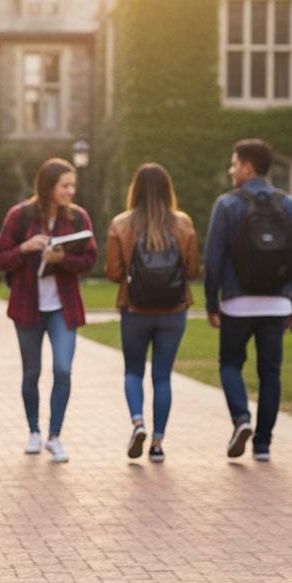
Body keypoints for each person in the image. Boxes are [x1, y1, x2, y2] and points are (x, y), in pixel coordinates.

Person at [204, 138, 292, 461]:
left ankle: (241, 419)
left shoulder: (227, 204)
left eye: (234, 164)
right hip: (277, 303)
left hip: (237, 303)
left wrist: (211, 303)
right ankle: (263, 445)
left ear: (248, 167)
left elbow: (214, 258)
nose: (231, 170)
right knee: (270, 373)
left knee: (231, 364)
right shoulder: (290, 205)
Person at [0, 158, 96, 463]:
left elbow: (90, 260)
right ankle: (34, 432)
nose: (70, 191)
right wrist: (25, 248)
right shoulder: (20, 215)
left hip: (63, 307)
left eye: (72, 185)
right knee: (31, 372)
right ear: (49, 186)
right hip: (28, 307)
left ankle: (54, 436)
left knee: (63, 369)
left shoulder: (78, 218)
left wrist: (60, 259)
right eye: (65, 185)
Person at [105, 163, 199, 463]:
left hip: (135, 309)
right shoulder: (183, 224)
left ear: (136, 189)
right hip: (173, 310)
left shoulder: (121, 224)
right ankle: (157, 444)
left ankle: (138, 422)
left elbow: (114, 272)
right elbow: (194, 270)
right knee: (162, 376)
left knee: (133, 370)